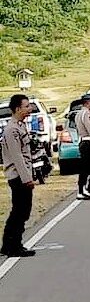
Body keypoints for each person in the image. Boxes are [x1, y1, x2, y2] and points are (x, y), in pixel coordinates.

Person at [1, 94, 36, 257]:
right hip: (18, 176)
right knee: (20, 211)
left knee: (21, 210)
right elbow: (17, 156)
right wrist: (27, 178)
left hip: (23, 174)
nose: (30, 109)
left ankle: (10, 244)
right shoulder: (11, 129)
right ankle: (13, 245)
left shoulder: (20, 126)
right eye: (27, 106)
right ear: (17, 108)